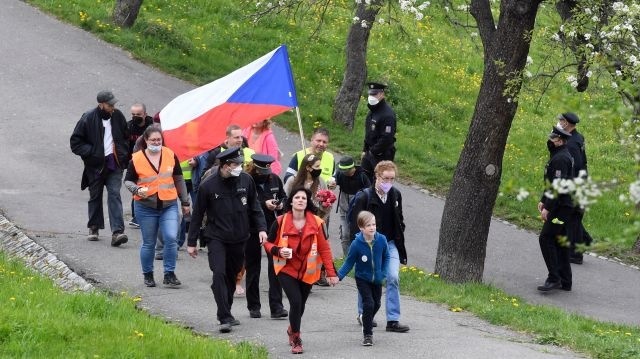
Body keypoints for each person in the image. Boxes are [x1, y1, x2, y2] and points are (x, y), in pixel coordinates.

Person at [186, 147, 267, 333]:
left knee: (231, 276)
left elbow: (255, 207)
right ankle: (223, 316)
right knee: (219, 273)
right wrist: (191, 242)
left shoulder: (246, 180)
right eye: (235, 164)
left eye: (240, 163)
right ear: (224, 165)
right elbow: (197, 214)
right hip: (217, 237)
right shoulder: (208, 186)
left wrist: (262, 229)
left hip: (240, 238)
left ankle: (227, 311)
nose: (239, 167)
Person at [263, 187, 339, 354]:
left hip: (308, 270)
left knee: (301, 305)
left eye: (304, 198)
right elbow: (267, 244)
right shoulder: (281, 221)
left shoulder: (318, 223)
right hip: (286, 268)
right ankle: (296, 338)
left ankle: (292, 328)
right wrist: (278, 251)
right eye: (297, 197)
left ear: (307, 202)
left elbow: (324, 249)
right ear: (291, 201)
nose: (300, 200)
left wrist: (331, 273)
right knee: (296, 302)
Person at [123, 126, 190, 287]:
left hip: (169, 204)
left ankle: (169, 273)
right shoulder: (137, 158)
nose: (156, 142)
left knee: (171, 237)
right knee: (149, 242)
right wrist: (137, 189)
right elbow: (128, 180)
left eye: (158, 139)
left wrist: (185, 202)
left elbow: (178, 179)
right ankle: (148, 274)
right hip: (145, 207)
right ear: (146, 141)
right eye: (153, 140)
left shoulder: (170, 154)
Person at [349, 160, 409, 333]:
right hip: (369, 245)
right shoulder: (364, 197)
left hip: (390, 244)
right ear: (377, 176)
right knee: (368, 279)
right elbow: (355, 224)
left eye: (392, 179)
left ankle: (393, 319)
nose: (388, 183)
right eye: (385, 178)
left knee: (393, 277)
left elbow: (400, 220)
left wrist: (399, 232)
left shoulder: (396, 195)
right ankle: (364, 314)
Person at [70, 90, 129, 246]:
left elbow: (125, 136)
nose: (113, 108)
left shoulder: (118, 116)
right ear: (101, 104)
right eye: (110, 105)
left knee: (114, 194)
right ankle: (94, 227)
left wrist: (124, 155)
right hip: (95, 166)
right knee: (95, 196)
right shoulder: (88, 118)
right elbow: (75, 143)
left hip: (115, 164)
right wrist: (92, 153)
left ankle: (118, 232)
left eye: (113, 104)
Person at [338, 210, 389, 346]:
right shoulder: (356, 244)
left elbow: (387, 257)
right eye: (368, 225)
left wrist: (384, 272)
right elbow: (349, 262)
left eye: (374, 224)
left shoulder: (381, 240)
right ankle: (367, 334)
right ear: (361, 228)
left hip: (377, 279)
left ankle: (364, 318)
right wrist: (338, 276)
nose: (372, 227)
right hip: (362, 278)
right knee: (369, 303)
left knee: (376, 304)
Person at [247, 154, 289, 319]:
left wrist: (280, 204)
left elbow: (284, 197)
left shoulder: (274, 179)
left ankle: (276, 307)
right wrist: (264, 203)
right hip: (252, 229)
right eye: (262, 170)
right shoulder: (248, 180)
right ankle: (254, 306)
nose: (266, 173)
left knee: (276, 267)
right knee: (253, 267)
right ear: (255, 168)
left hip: (273, 227)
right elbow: (245, 204)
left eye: (268, 169)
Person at [537, 126, 575, 292]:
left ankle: (554, 278)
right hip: (561, 205)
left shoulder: (560, 158)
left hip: (560, 208)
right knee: (560, 241)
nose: (550, 141)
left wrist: (548, 207)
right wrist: (543, 200)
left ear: (559, 140)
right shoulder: (559, 155)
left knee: (546, 238)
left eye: (552, 138)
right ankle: (565, 280)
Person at [556, 112, 593, 264]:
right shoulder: (578, 137)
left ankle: (576, 254)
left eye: (560, 120)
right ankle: (585, 239)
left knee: (572, 217)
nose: (559, 122)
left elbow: (576, 165)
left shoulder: (571, 143)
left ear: (567, 124)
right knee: (574, 216)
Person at [335, 156, 371, 257]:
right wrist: (332, 183)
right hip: (344, 209)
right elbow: (333, 180)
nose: (343, 172)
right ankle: (347, 258)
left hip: (359, 212)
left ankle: (360, 257)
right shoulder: (340, 174)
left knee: (357, 235)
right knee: (345, 234)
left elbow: (369, 192)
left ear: (352, 168)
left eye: (346, 170)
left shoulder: (362, 176)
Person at [361, 82, 397, 183]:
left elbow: (387, 138)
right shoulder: (373, 111)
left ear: (381, 94)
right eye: (370, 94)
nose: (371, 97)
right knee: (364, 181)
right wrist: (365, 150)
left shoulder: (387, 115)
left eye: (374, 94)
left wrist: (372, 152)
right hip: (370, 153)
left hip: (382, 155)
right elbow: (368, 134)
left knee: (380, 183)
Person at [126, 103, 154, 228]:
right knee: (136, 187)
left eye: (138, 114)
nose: (135, 117)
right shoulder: (128, 127)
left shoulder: (153, 127)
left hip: (151, 162)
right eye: (133, 114)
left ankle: (142, 215)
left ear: (145, 114)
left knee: (149, 187)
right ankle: (136, 217)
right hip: (134, 162)